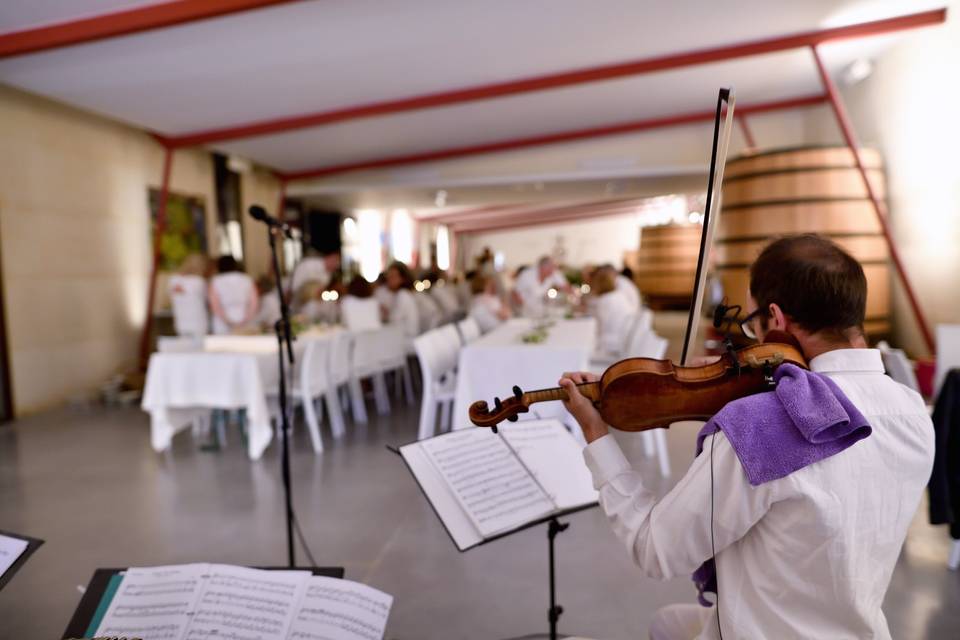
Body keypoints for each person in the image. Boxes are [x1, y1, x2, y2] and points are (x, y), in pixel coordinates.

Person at [558, 234, 934, 640]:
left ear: (776, 318)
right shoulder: (913, 411)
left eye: (752, 324)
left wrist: (596, 433)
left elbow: (656, 550)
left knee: (666, 622)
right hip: (859, 628)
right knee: (668, 622)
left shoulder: (760, 427)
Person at [208, 255, 258, 335]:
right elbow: (254, 303)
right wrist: (245, 319)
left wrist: (228, 321)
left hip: (222, 322)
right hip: (244, 318)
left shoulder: (216, 281)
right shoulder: (247, 279)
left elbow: (215, 305)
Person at [590, 268, 634, 356]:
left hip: (612, 344)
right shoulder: (618, 295)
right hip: (623, 338)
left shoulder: (605, 300)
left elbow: (599, 326)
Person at [168, 253, 209, 337]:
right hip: (198, 322)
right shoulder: (198, 281)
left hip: (181, 322)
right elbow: (207, 299)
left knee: (184, 347)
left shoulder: (173, 280)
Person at [384, 261, 420, 341]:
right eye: (388, 276)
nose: (389, 279)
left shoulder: (403, 296)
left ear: (403, 279)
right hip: (405, 338)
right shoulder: (401, 294)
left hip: (406, 341)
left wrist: (386, 314)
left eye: (393, 276)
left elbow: (393, 322)